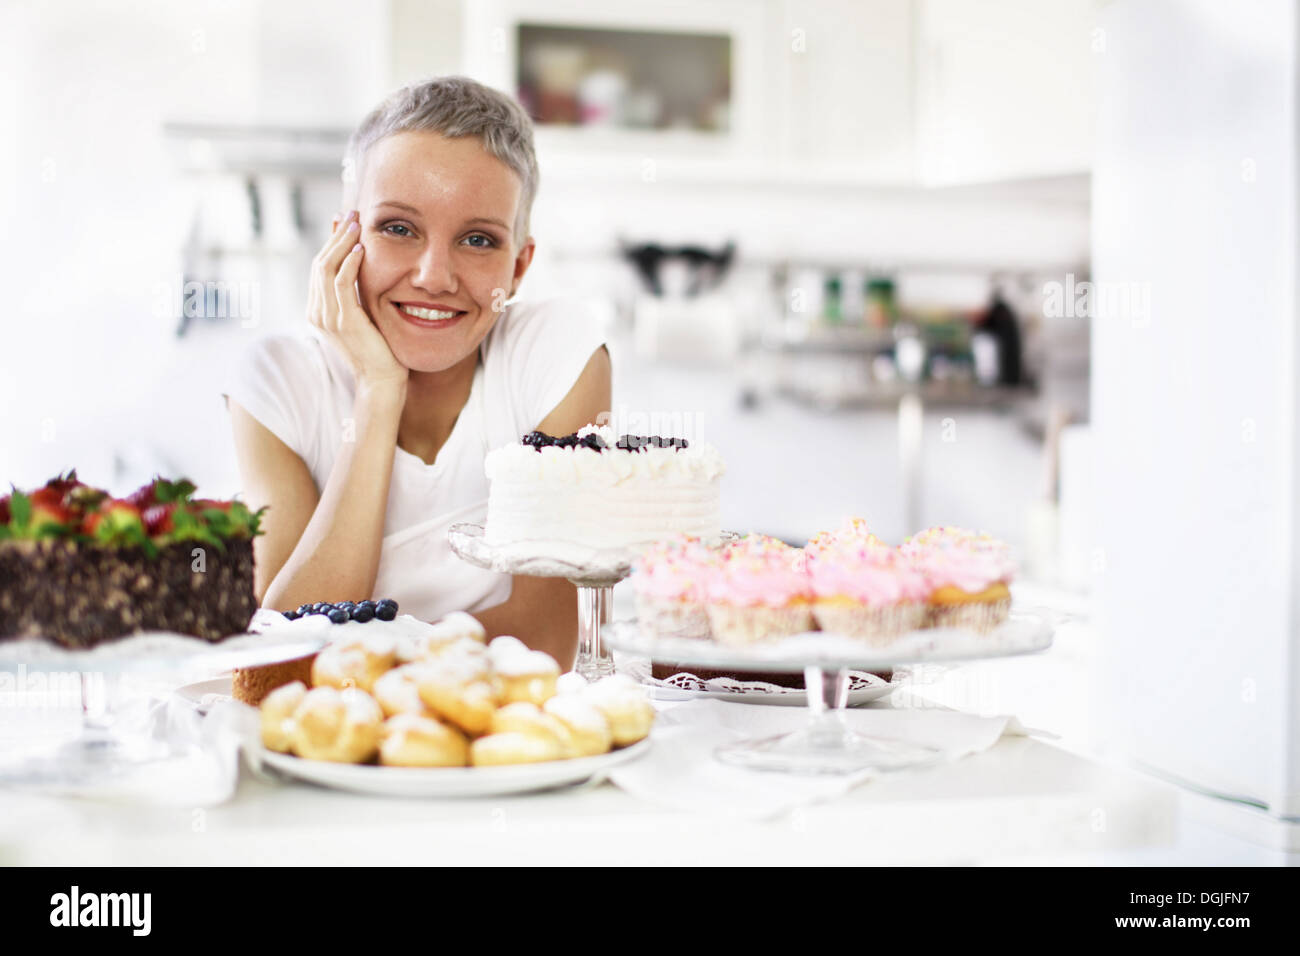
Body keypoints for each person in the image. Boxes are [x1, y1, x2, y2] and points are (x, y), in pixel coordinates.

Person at [223, 77, 609, 667]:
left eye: (478, 240)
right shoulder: (278, 381)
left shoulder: (555, 354)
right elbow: (286, 654)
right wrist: (379, 392)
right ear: (343, 242)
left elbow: (546, 637)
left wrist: (359, 649)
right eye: (398, 228)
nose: (434, 276)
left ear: (519, 265)